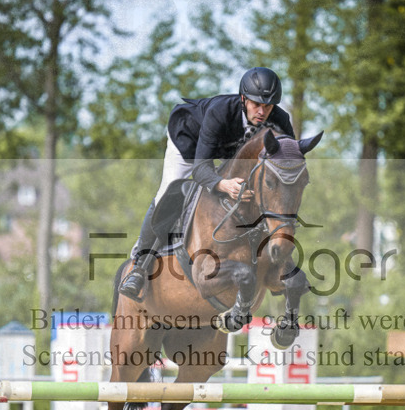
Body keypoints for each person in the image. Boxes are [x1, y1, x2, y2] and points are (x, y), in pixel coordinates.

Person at [119, 67, 295, 301]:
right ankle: (139, 265)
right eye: (256, 104)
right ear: (243, 99)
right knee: (169, 189)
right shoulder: (219, 112)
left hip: (229, 148)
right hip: (189, 141)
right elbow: (201, 169)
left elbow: (288, 163)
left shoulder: (280, 120)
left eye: (268, 106)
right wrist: (223, 185)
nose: (262, 112)